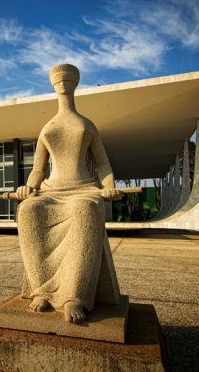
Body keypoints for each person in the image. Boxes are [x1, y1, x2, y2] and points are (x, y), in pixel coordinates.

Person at [15, 63, 121, 323]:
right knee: (28, 210)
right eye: (58, 79)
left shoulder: (87, 125)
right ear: (52, 84)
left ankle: (75, 295)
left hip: (84, 189)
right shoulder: (47, 128)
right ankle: (43, 291)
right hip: (52, 190)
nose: (63, 82)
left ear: (76, 82)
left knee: (84, 209)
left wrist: (108, 186)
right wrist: (28, 188)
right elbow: (38, 170)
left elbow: (103, 163)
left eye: (68, 78)